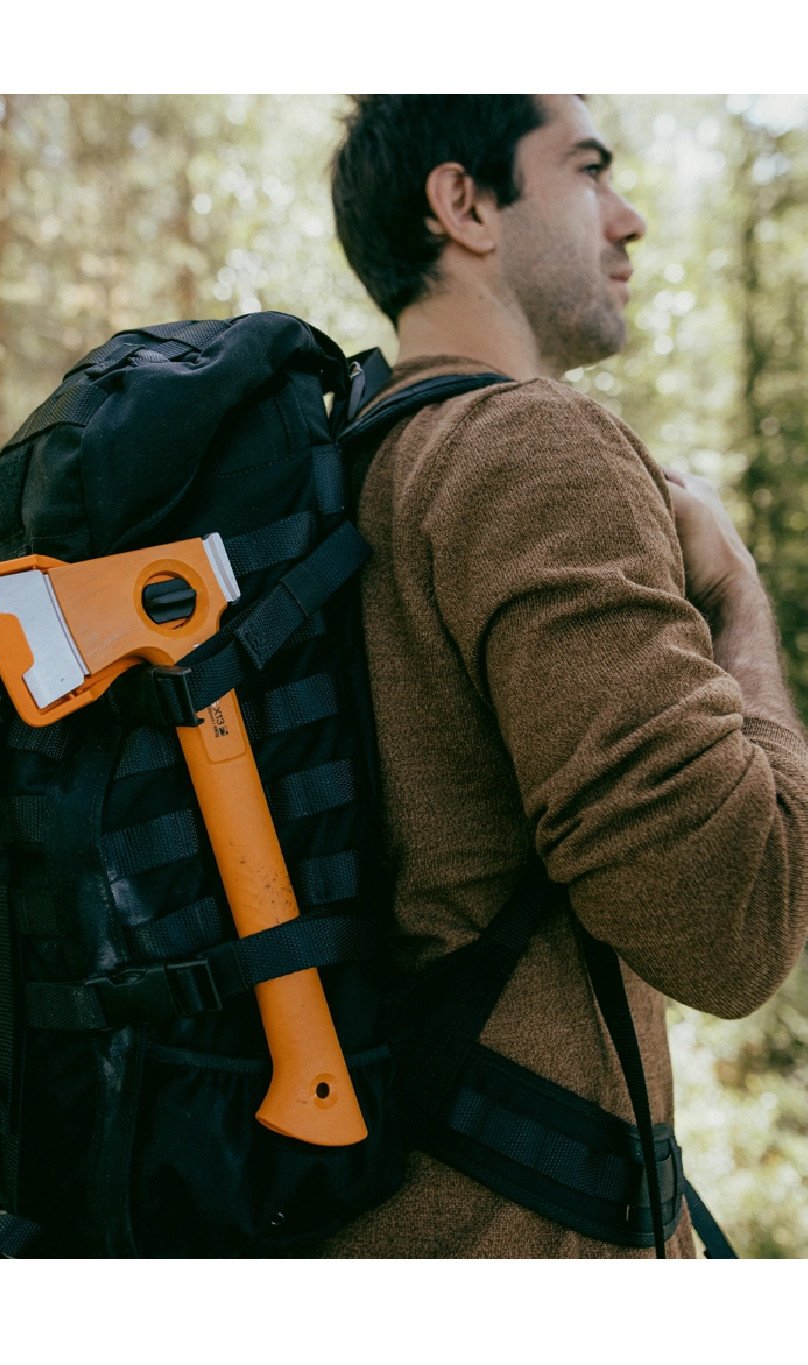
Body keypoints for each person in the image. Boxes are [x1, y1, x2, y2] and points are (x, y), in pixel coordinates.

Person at [318, 94, 808, 1257]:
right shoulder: (533, 446)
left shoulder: (348, 465)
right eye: (588, 170)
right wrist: (736, 598)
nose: (627, 218)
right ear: (463, 204)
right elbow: (737, 924)